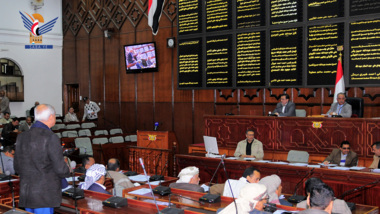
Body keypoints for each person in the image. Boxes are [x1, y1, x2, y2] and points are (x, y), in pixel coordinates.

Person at [14, 104, 71, 213]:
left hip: (27, 192)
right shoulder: (50, 137)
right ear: (50, 117)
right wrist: (67, 169)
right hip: (45, 194)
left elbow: (17, 167)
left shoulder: (21, 136)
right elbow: (60, 169)